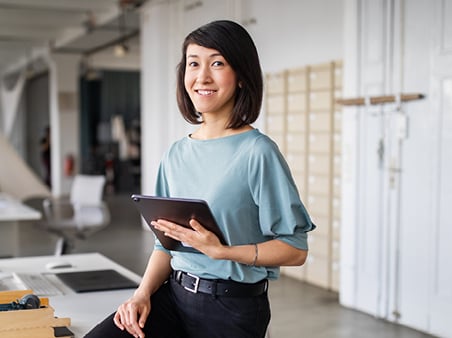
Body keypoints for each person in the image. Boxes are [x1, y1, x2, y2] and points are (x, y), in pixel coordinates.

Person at [84, 20, 315, 338]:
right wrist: (142, 294)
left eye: (217, 63)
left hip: (232, 311)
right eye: (194, 63)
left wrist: (223, 251)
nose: (202, 76)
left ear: (242, 77)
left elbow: (295, 249)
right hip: (174, 296)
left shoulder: (257, 152)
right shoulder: (176, 153)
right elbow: (165, 243)